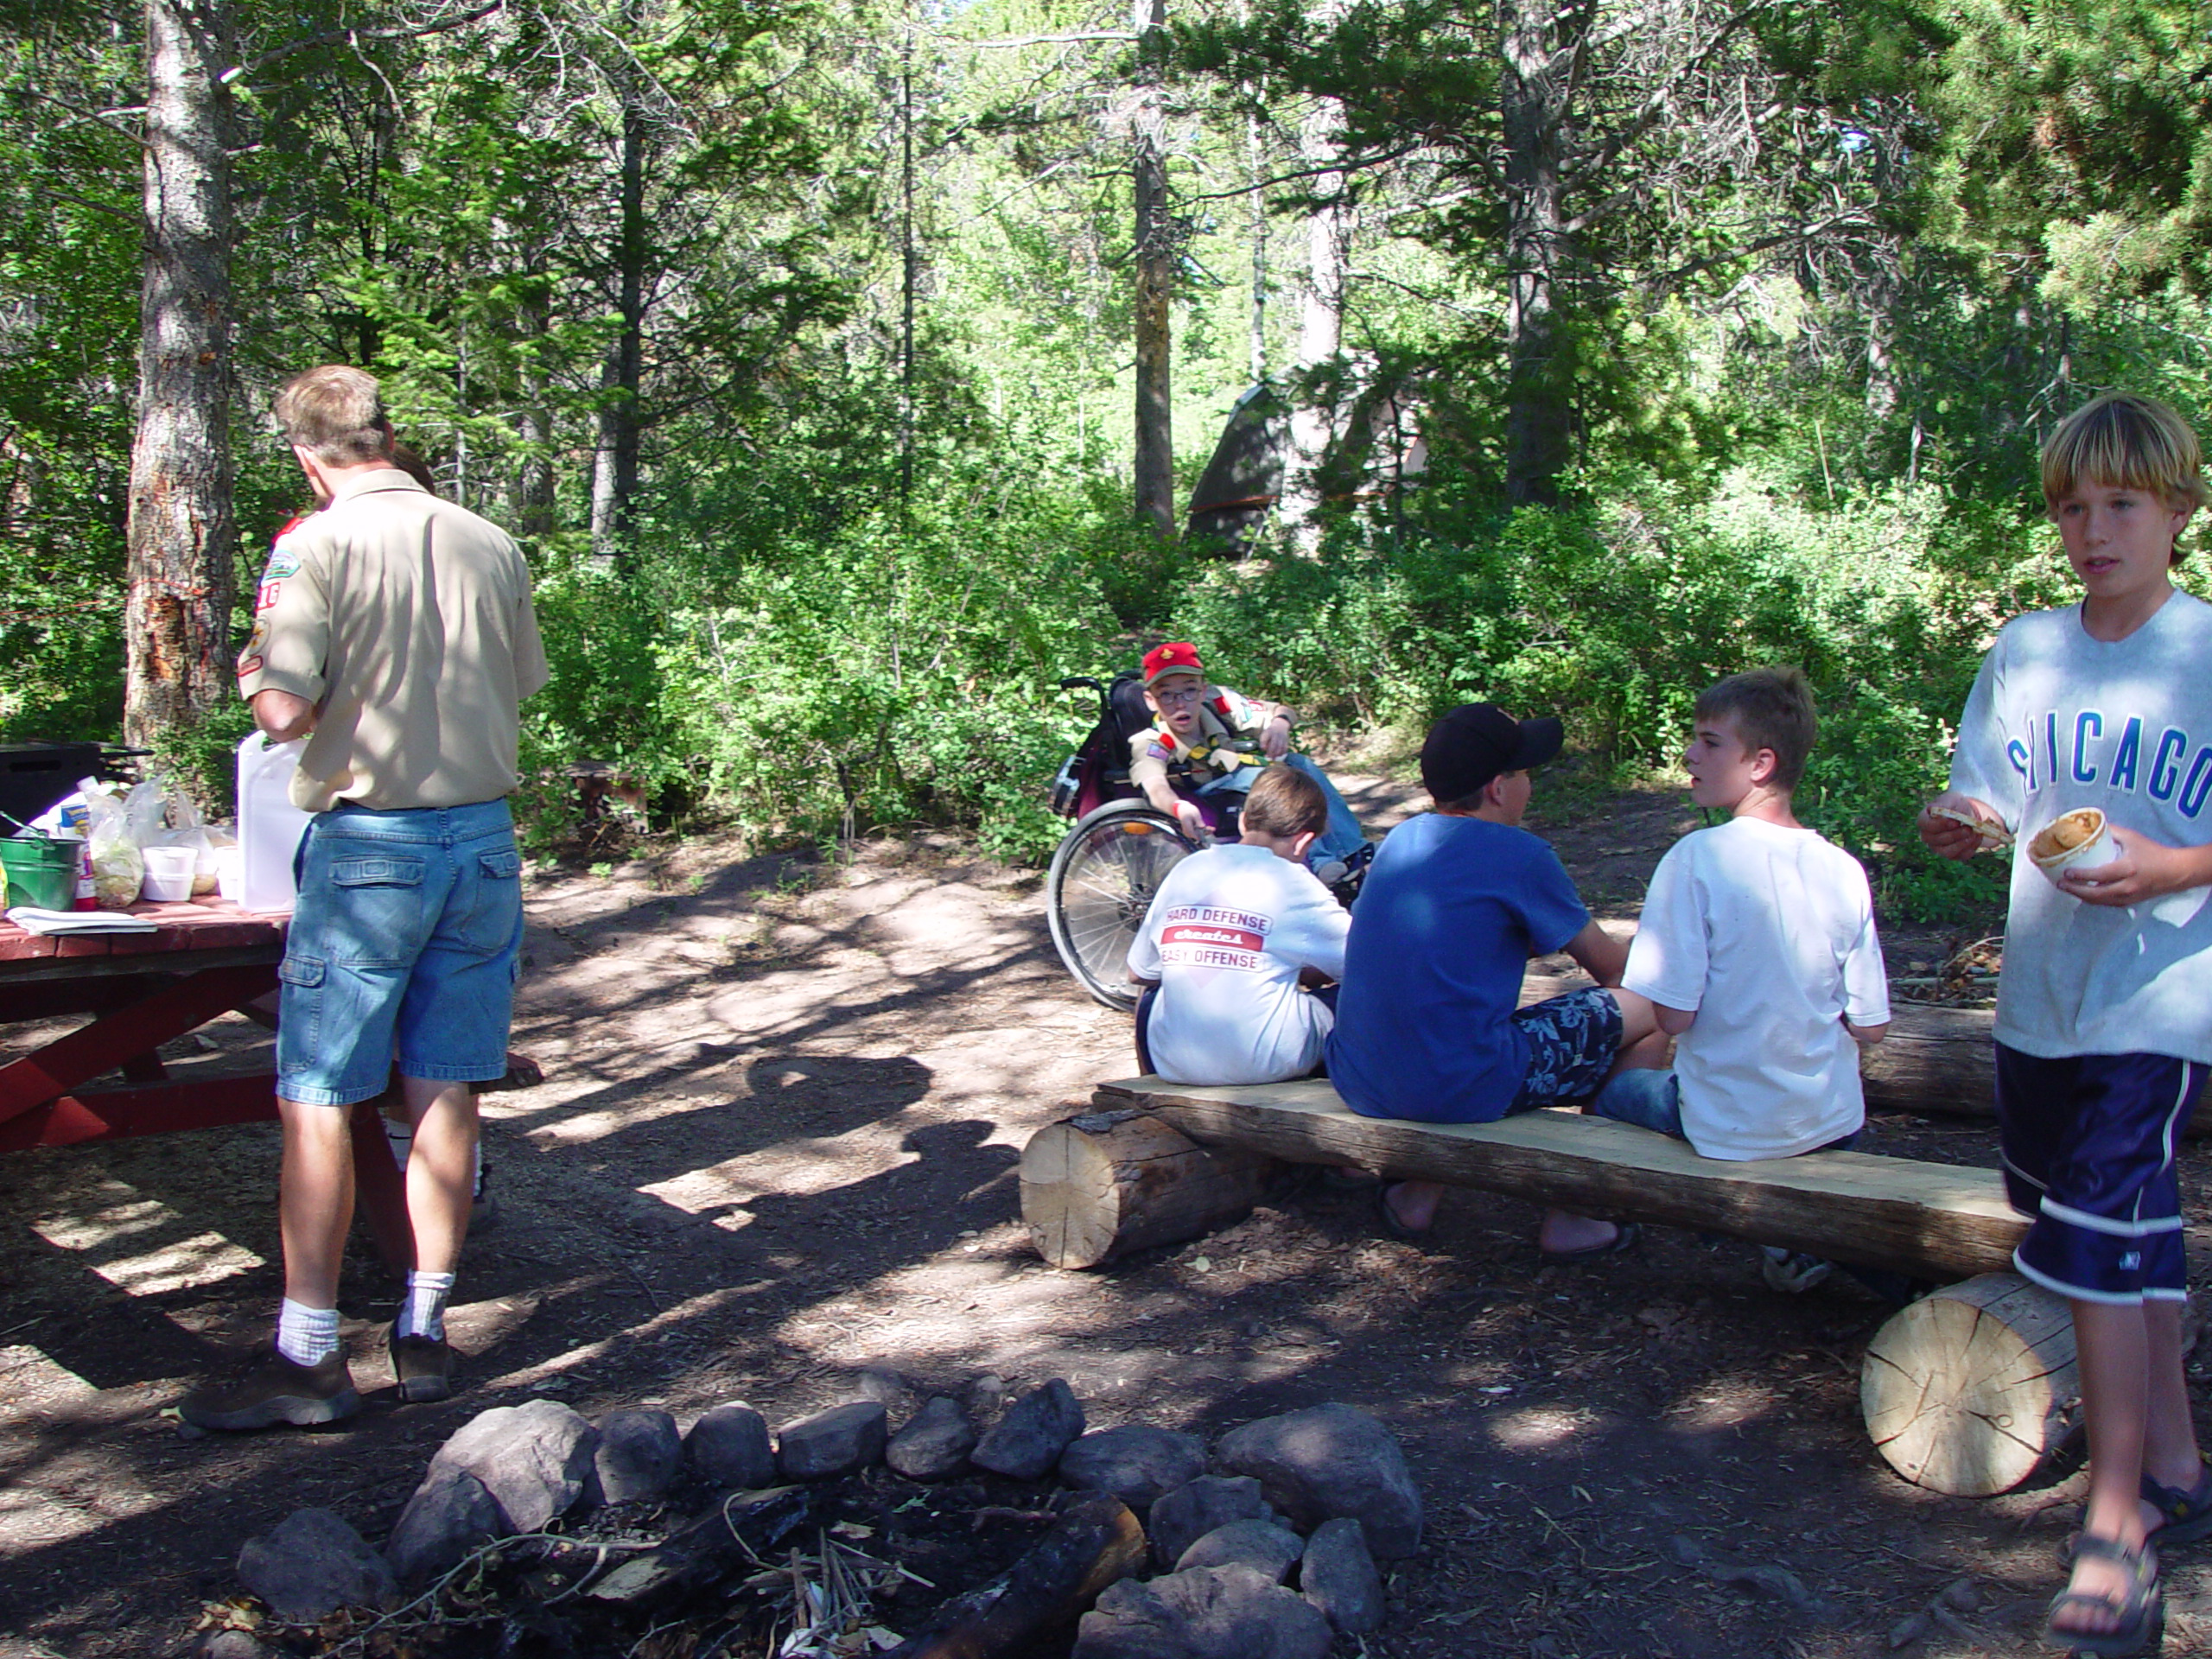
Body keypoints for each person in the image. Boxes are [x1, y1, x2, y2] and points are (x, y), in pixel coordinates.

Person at [180, 365, 547, 1431]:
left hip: (371, 849)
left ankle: (308, 1359)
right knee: (447, 1085)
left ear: (306, 454)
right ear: (386, 435)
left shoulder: (314, 546)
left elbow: (285, 709)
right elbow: (517, 681)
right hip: (482, 844)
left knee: (320, 1096)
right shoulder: (488, 539)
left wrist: (256, 666)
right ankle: (424, 1335)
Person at [1918, 392, 2212, 1657]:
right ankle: (2183, 1464)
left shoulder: (2206, 649)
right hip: (2042, 996)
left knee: (2095, 1234)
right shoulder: (2028, 650)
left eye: (2121, 506)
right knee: (2114, 1228)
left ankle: (2113, 1528)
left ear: (2181, 510)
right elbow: (1987, 792)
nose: (2093, 531)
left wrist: (2174, 868)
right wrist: (1957, 818)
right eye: (2072, 508)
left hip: (2163, 996)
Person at [1588, 668, 1891, 1293]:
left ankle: (1616, 1225)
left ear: (1761, 763)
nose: (1690, 755)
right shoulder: (1843, 868)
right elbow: (1872, 1025)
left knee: (1612, 1095)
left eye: (1709, 741)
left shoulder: (1695, 859)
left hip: (1729, 1124)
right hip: (1833, 1119)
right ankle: (1792, 1244)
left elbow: (1674, 1018)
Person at [1325, 702, 1661, 1253]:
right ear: (1498, 788)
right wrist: (1656, 935)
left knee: (1448, 1032)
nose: (1531, 785)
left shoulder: (1398, 844)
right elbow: (1615, 971)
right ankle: (1581, 1211)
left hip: (1361, 1077)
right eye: (1525, 773)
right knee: (1649, 1013)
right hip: (1456, 1083)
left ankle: (1416, 1195)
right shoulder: (1519, 855)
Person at [1127, 765, 1351, 1084]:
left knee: (1151, 990)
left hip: (1173, 1065)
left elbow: (1138, 972)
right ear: (1304, 842)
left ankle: (1145, 1086)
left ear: (1244, 820)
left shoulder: (1188, 868)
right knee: (1353, 996)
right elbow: (1367, 964)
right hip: (1266, 1063)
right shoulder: (1295, 882)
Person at [1129, 641, 1367, 874]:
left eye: (1190, 690)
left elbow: (1280, 710)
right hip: (1205, 790)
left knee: (1299, 764)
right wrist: (1178, 807)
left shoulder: (1218, 702)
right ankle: (1321, 860)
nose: (1180, 703)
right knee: (1278, 782)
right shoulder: (1150, 740)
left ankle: (1352, 850)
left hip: (1238, 773)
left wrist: (1279, 725)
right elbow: (1155, 785)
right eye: (1166, 694)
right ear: (1151, 700)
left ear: (1203, 690)